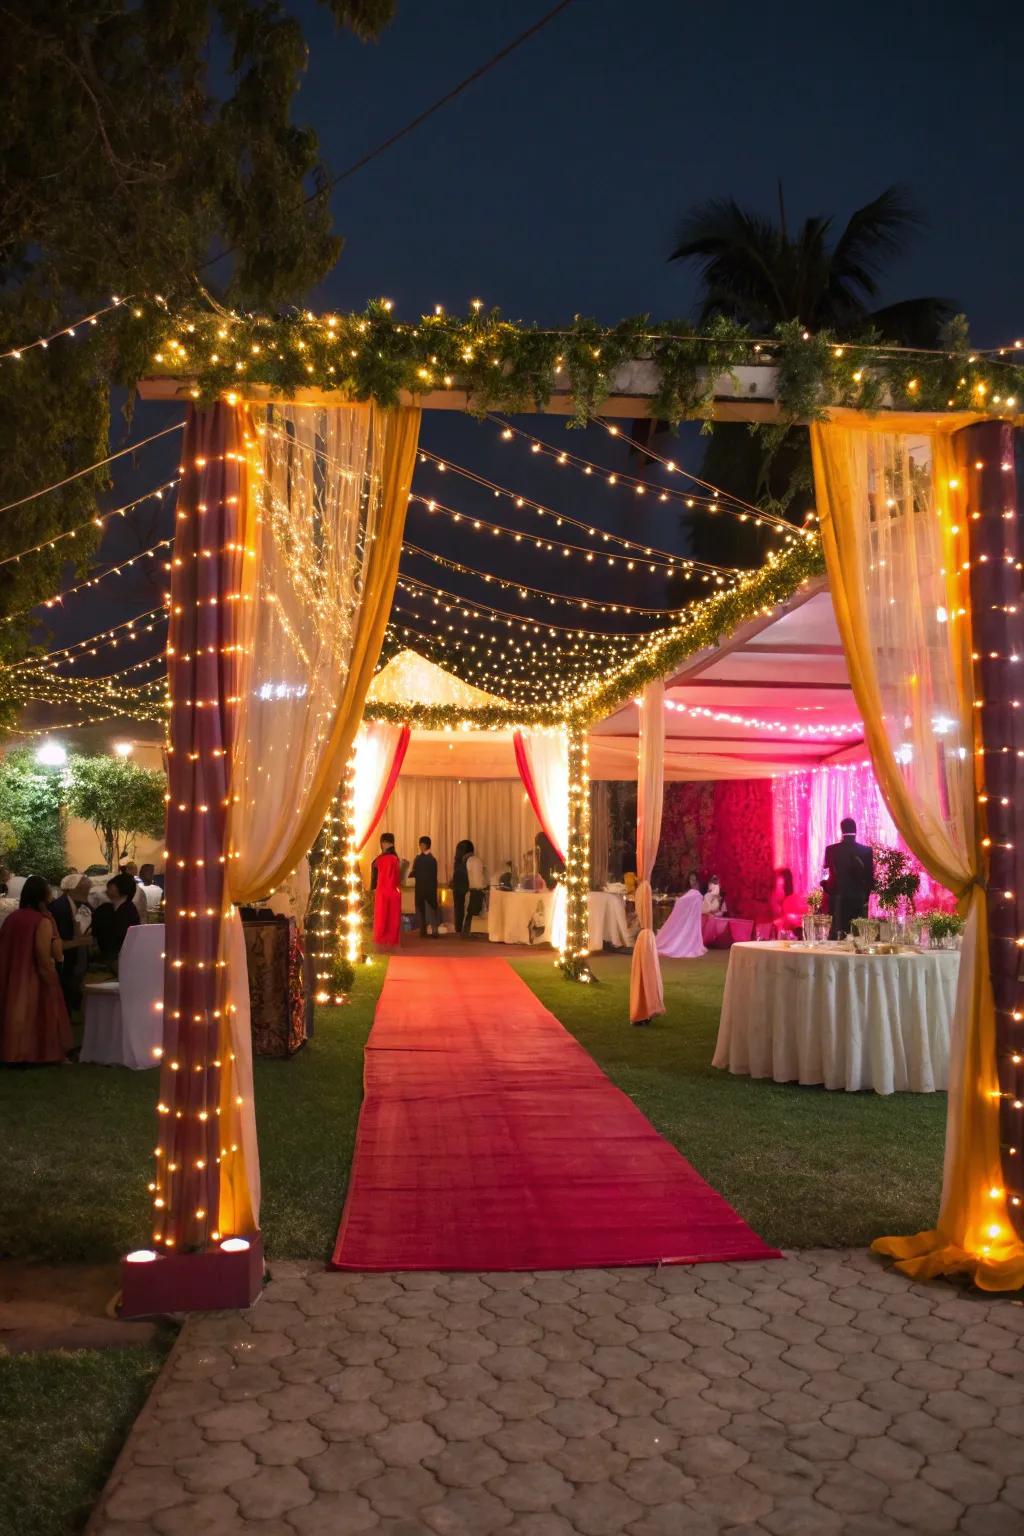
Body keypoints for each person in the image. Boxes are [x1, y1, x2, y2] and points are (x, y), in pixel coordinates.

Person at [0, 874, 72, 1064]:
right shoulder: (42, 921)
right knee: (36, 1015)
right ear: (43, 894)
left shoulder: (12, 918)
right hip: (32, 976)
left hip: (10, 974)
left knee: (13, 1014)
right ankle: (34, 1053)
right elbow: (42, 953)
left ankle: (10, 1052)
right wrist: (51, 976)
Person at [823, 817, 874, 938]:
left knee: (837, 935)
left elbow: (826, 874)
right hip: (858, 899)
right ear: (856, 830)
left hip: (837, 899)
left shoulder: (831, 850)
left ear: (841, 830)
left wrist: (825, 888)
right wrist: (866, 898)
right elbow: (870, 878)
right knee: (858, 935)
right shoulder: (866, 850)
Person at [50, 873, 93, 1011]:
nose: (87, 891)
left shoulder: (84, 904)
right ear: (72, 889)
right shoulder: (60, 907)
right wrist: (80, 941)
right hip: (64, 958)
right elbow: (60, 938)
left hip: (76, 956)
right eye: (83, 888)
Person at [91, 872, 142, 971]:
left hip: (121, 958)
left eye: (112, 886)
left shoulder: (129, 910)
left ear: (123, 888)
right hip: (103, 956)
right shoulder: (105, 908)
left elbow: (123, 935)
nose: (108, 888)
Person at [371, 832, 401, 947]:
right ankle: (392, 940)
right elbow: (398, 878)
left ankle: (381, 940)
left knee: (381, 917)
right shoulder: (395, 858)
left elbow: (374, 876)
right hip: (393, 891)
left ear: (384, 843)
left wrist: (373, 888)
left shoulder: (379, 860)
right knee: (392, 918)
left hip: (382, 891)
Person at [412, 835, 439, 938]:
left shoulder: (432, 859)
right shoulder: (418, 858)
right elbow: (415, 871)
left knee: (431, 909)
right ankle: (423, 930)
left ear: (428, 845)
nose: (421, 846)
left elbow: (433, 875)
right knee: (420, 909)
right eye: (420, 844)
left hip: (429, 888)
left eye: (423, 844)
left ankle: (434, 930)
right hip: (420, 887)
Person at [463, 842, 487, 938]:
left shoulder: (468, 861)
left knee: (470, 912)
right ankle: (471, 931)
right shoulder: (478, 860)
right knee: (476, 912)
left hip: (473, 890)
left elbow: (467, 875)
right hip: (480, 889)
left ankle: (466, 931)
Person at [451, 839, 472, 935]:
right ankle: (459, 927)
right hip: (460, 886)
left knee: (459, 908)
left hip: (461, 887)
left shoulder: (465, 861)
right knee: (459, 908)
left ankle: (459, 928)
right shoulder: (463, 861)